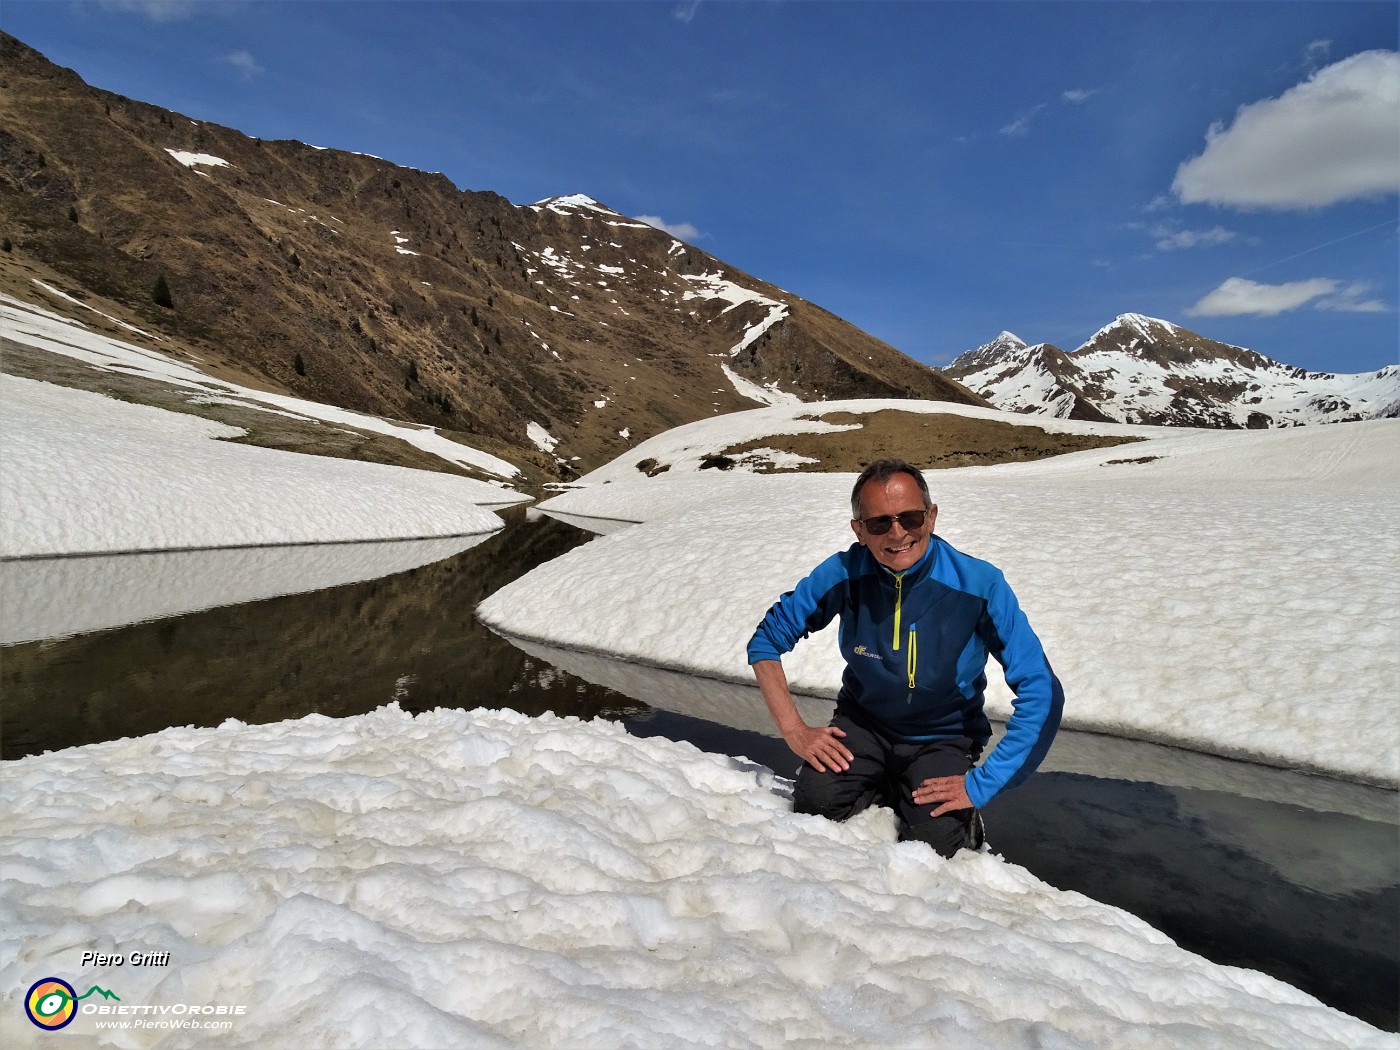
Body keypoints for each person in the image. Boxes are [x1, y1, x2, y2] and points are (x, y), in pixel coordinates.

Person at [747, 458, 1064, 857]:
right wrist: (794, 730)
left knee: (933, 849)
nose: (897, 533)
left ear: (930, 517)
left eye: (910, 517)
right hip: (862, 727)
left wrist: (980, 785)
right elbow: (765, 642)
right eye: (879, 523)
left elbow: (1042, 690)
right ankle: (885, 786)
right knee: (816, 805)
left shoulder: (979, 584)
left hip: (943, 736)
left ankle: (953, 820)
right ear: (859, 530)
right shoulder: (844, 573)